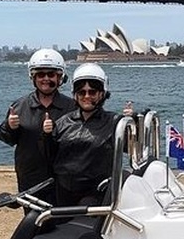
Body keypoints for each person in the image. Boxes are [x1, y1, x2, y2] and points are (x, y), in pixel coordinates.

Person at [0, 48, 75, 206]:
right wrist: (10, 126)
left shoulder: (72, 107)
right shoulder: (19, 106)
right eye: (40, 74)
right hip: (30, 179)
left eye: (51, 74)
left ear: (60, 77)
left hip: (63, 178)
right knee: (33, 221)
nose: (45, 79)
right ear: (32, 77)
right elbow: (7, 138)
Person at [44, 63, 128, 207]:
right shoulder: (63, 122)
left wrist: (132, 125)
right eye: (82, 92)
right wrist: (46, 135)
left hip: (97, 195)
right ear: (75, 95)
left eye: (92, 92)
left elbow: (130, 149)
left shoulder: (115, 122)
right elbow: (49, 156)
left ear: (102, 93)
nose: (87, 96)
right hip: (63, 193)